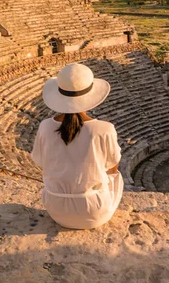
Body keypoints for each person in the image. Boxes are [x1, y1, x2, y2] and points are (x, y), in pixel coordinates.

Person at [31, 63, 123, 229]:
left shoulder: (45, 126)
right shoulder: (104, 128)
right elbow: (112, 166)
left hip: (55, 208)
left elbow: (39, 161)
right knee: (115, 177)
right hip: (93, 211)